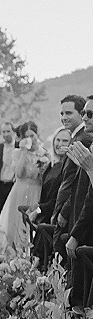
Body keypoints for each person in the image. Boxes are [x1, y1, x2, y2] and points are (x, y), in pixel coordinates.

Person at [59, 96, 93, 308]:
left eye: (90, 114)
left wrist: (77, 233)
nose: (85, 118)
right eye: (85, 113)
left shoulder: (85, 142)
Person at [0, 122, 48, 252]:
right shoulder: (17, 153)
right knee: (13, 224)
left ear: (37, 135)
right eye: (27, 136)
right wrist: (24, 152)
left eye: (32, 135)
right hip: (19, 191)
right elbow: (18, 173)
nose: (30, 139)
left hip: (36, 191)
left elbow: (45, 179)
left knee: (30, 226)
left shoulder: (44, 154)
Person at [51, 94, 89, 260]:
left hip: (75, 210)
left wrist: (65, 211)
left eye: (68, 113)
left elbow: (78, 182)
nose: (64, 117)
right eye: (61, 114)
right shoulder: (75, 137)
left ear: (81, 114)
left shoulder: (84, 139)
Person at [30, 127, 71, 268]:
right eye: (57, 140)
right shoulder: (51, 165)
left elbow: (57, 199)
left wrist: (39, 210)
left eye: (65, 140)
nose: (60, 144)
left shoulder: (68, 169)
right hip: (46, 214)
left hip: (56, 217)